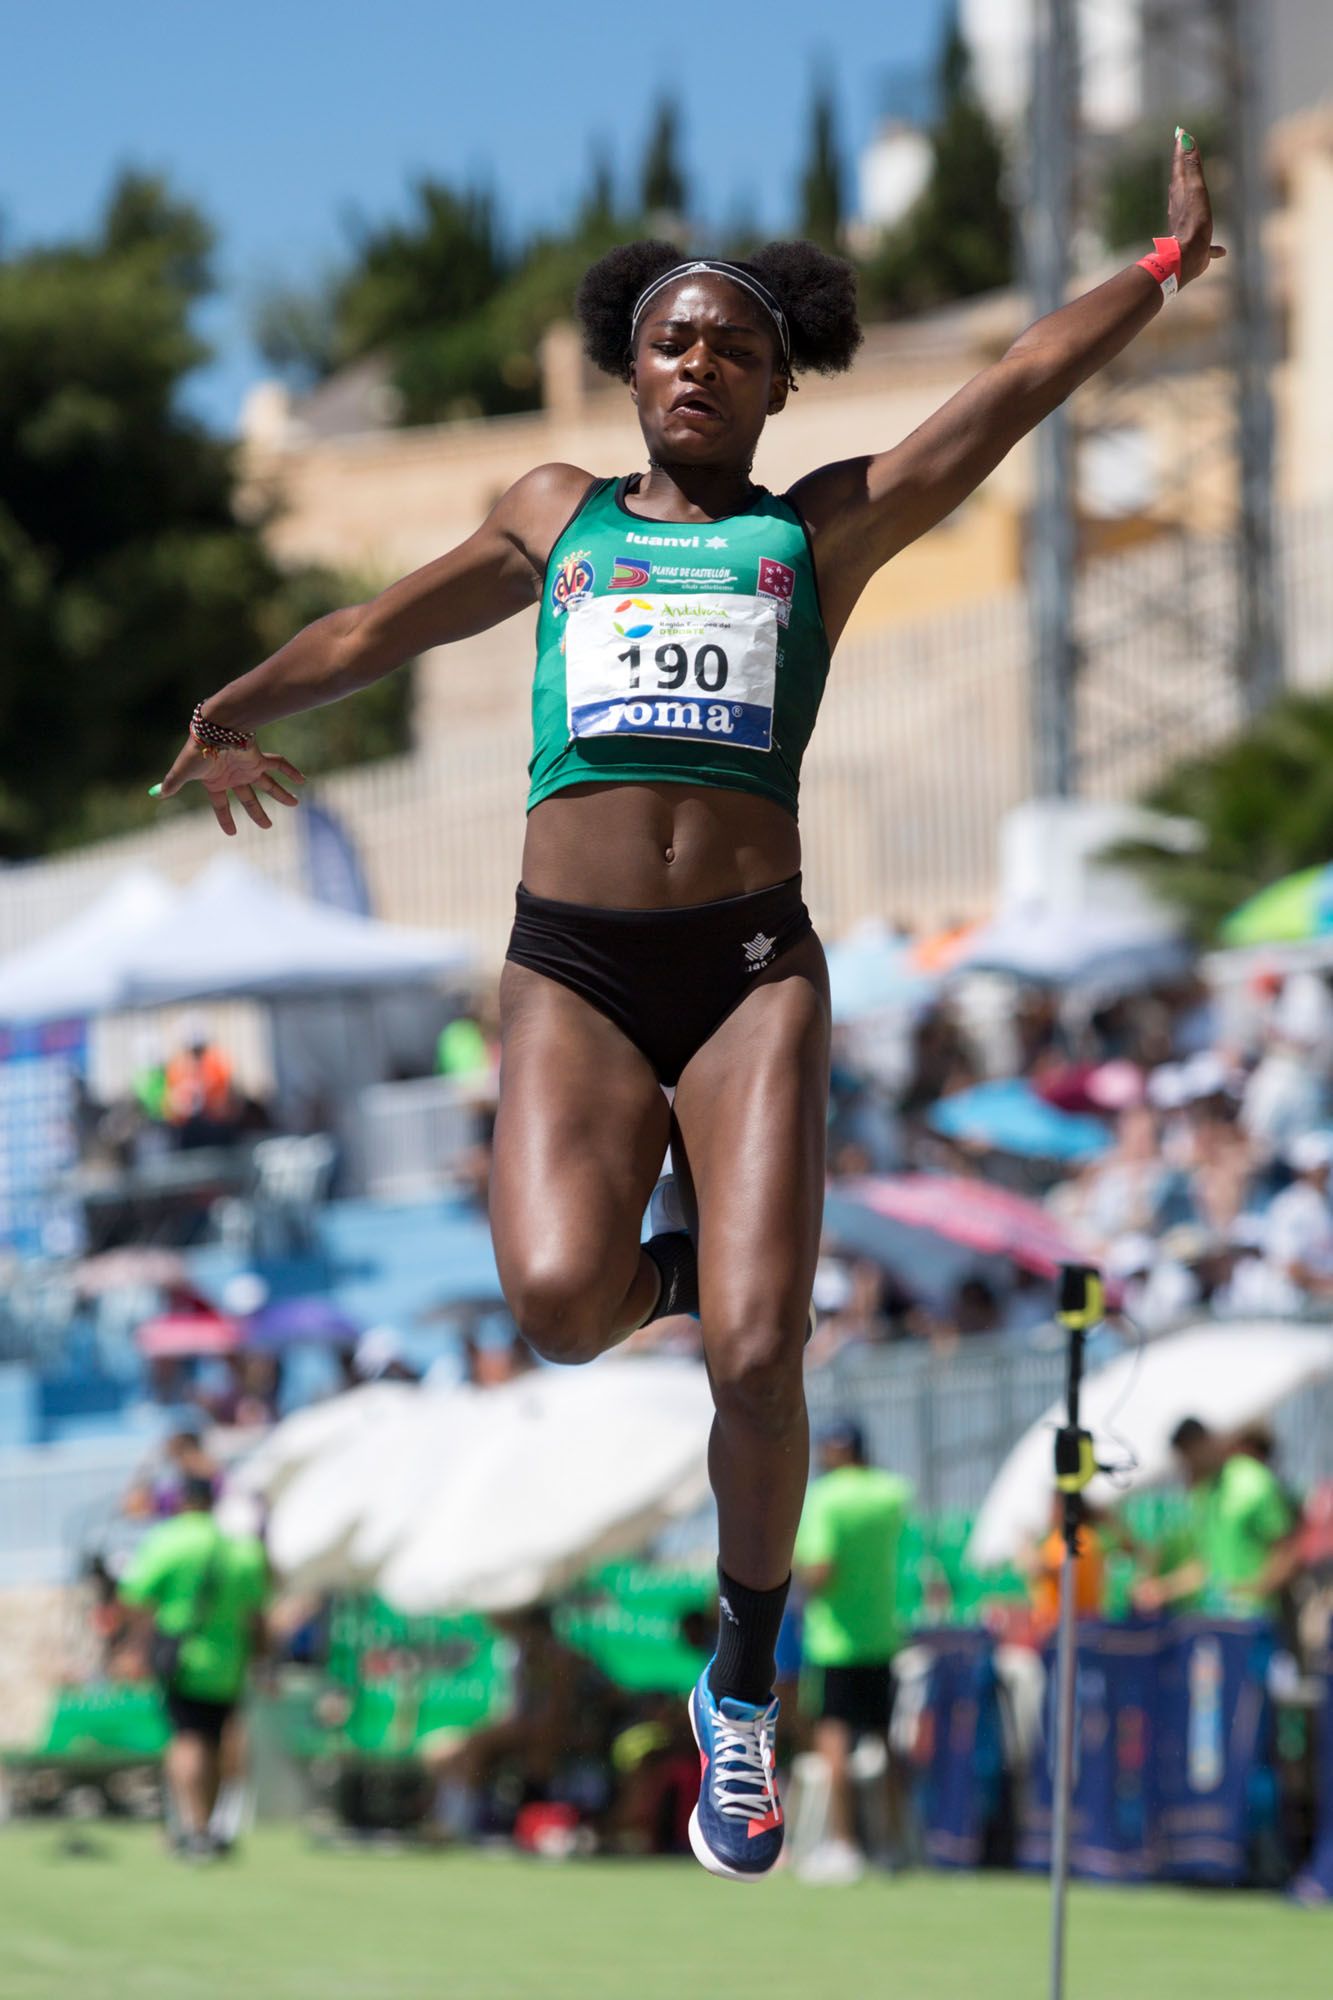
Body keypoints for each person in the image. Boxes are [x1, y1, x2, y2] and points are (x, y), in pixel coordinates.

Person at [151, 134, 1222, 1881]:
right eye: (669, 339)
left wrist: (1157, 274)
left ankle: (742, 1666)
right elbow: (372, 627)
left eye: (732, 344)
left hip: (746, 971)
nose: (696, 362)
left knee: (752, 1351)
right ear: (628, 365)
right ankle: (716, 1258)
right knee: (564, 1304)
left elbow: (1012, 390)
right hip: (570, 968)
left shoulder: (819, 532)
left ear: (777, 379)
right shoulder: (551, 514)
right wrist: (233, 699)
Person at [118, 1473, 269, 1858]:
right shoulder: (241, 1549)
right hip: (229, 1661)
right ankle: (212, 1827)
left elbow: (134, 1597)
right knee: (217, 1741)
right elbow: (257, 1613)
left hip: (182, 1657)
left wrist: (135, 1647)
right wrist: (263, 1660)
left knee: (187, 1739)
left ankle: (193, 1827)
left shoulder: (167, 1540)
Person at [793, 1419, 912, 1884]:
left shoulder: (827, 1498)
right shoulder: (892, 1493)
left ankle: (845, 1846)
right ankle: (895, 1844)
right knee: (885, 1742)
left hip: (836, 1641)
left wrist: (793, 1576)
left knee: (833, 1740)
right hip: (882, 1635)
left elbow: (821, 1570)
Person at [1133, 1418, 1302, 1620]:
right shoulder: (1202, 1496)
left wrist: (1256, 1590)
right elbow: (1207, 1566)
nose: (1187, 1469)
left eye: (1189, 1458)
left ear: (1205, 1443)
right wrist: (1163, 1589)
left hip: (1265, 1625)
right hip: (1223, 1625)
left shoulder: (1250, 1479)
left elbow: (1290, 1549)